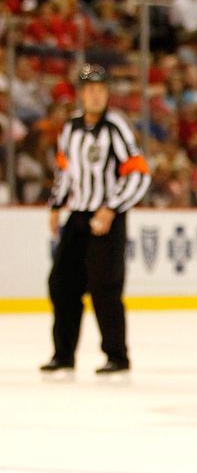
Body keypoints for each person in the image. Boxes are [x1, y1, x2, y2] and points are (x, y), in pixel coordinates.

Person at [41, 64, 151, 374]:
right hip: (78, 215)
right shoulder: (71, 128)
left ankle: (116, 355)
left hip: (107, 218)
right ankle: (63, 354)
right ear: (81, 94)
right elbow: (64, 171)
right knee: (61, 283)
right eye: (89, 89)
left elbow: (139, 173)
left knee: (105, 287)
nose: (95, 95)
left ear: (107, 94)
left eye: (101, 89)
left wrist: (112, 208)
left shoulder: (116, 126)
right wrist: (55, 205)